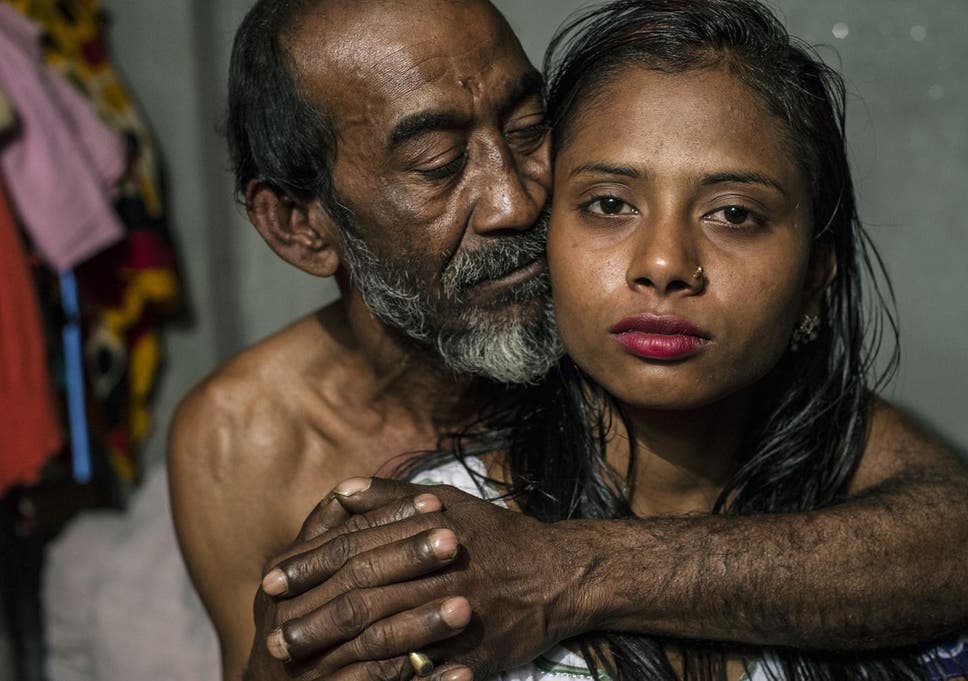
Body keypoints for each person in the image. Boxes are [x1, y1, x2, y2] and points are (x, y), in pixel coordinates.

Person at [167, 1, 968, 680]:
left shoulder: (628, 320)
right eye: (439, 163)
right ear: (300, 225)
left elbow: (942, 533)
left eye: (526, 128)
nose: (516, 201)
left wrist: (564, 570)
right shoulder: (246, 441)